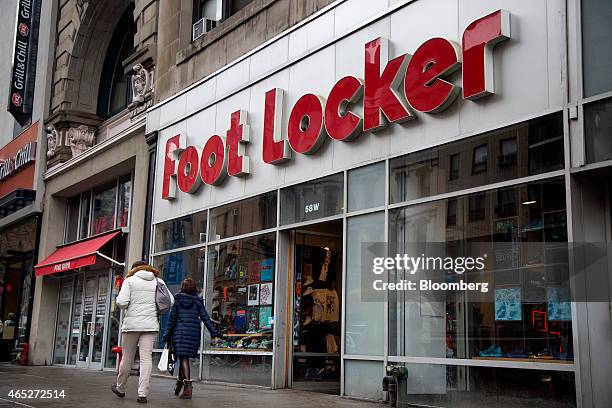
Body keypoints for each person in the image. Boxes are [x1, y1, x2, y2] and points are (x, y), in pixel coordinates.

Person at [111, 261, 173, 404]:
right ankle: (142, 394)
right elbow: (171, 301)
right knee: (146, 359)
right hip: (150, 325)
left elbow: (122, 302)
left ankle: (120, 388)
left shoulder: (130, 281)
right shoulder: (158, 281)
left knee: (127, 358)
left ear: (134, 269)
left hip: (131, 325)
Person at [163, 277, 220, 399]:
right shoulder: (197, 301)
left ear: (182, 288)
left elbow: (172, 320)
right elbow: (206, 318)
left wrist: (166, 334)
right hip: (193, 333)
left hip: (179, 333)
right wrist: (213, 332)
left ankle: (188, 387)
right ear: (194, 288)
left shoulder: (177, 300)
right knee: (184, 357)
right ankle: (179, 383)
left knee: (183, 358)